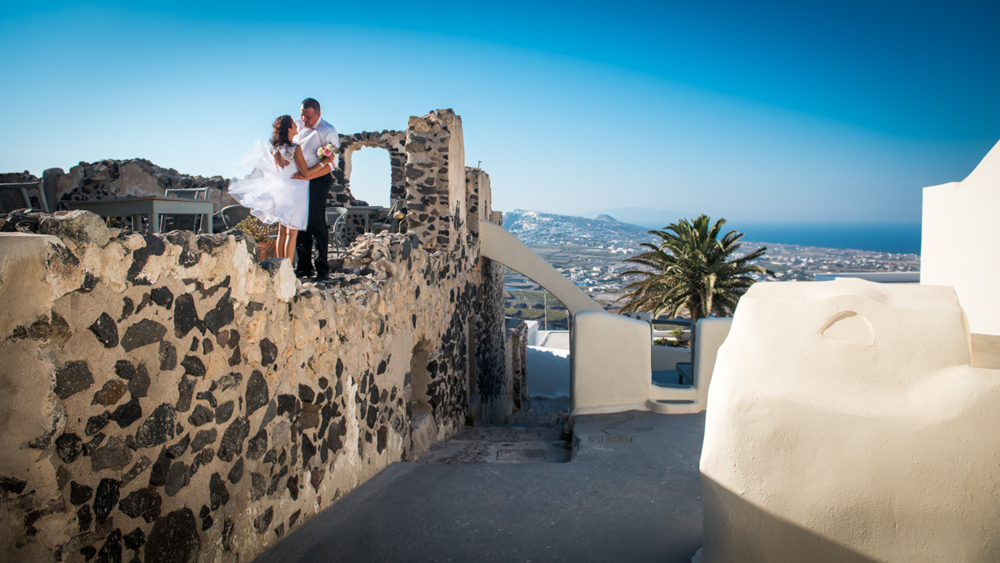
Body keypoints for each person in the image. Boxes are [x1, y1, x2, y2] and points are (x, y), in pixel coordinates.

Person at [228, 115, 329, 260]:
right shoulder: (295, 148)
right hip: (296, 193)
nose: (297, 127)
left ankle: (278, 265)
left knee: (282, 232)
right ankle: (287, 267)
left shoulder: (275, 150)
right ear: (289, 129)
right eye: (294, 125)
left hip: (281, 192)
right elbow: (305, 172)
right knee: (292, 233)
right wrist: (325, 162)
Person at [291, 97, 339, 279]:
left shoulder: (327, 130)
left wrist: (308, 175)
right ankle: (304, 267)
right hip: (299, 181)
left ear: (318, 114)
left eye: (309, 117)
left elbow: (331, 164)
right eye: (303, 116)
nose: (305, 120)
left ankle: (322, 269)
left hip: (318, 179)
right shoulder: (298, 125)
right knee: (301, 223)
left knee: (315, 223)